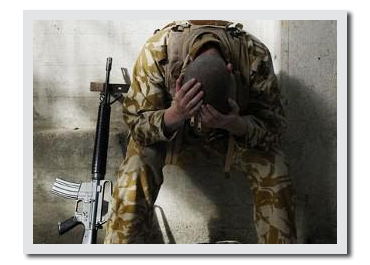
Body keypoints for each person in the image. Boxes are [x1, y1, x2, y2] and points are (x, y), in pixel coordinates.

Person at [104, 20, 297, 244]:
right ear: (181, 78)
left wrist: (236, 124)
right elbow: (136, 124)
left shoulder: (253, 55)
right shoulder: (158, 51)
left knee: (275, 168)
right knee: (135, 166)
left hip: (230, 136)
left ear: (231, 73)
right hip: (176, 134)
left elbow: (273, 127)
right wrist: (174, 115)